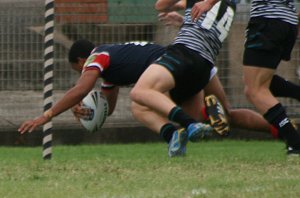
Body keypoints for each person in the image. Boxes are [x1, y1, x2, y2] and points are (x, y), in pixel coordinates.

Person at [130, 0, 237, 157]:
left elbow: (160, 5)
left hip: (185, 54)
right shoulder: (230, 4)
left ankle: (192, 123)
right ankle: (175, 134)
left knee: (139, 92)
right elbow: (205, 27)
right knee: (140, 106)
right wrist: (183, 21)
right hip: (205, 67)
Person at [191, 0, 300, 155]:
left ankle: (294, 142)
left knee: (255, 90)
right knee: (261, 83)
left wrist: (209, 2)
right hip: (287, 21)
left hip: (267, 21)